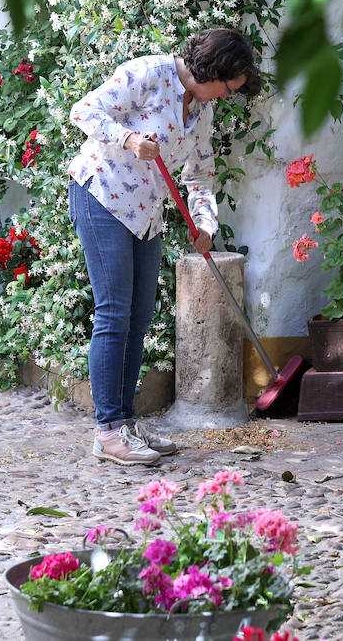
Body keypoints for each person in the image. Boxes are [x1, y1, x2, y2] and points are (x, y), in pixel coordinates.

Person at [68, 27, 261, 465]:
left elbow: (200, 177)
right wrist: (130, 140)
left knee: (137, 320)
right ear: (212, 69)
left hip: (146, 215)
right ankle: (107, 431)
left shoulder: (203, 111)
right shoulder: (150, 73)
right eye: (227, 87)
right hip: (103, 195)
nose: (226, 97)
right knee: (114, 312)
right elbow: (84, 111)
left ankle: (125, 425)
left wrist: (206, 225)